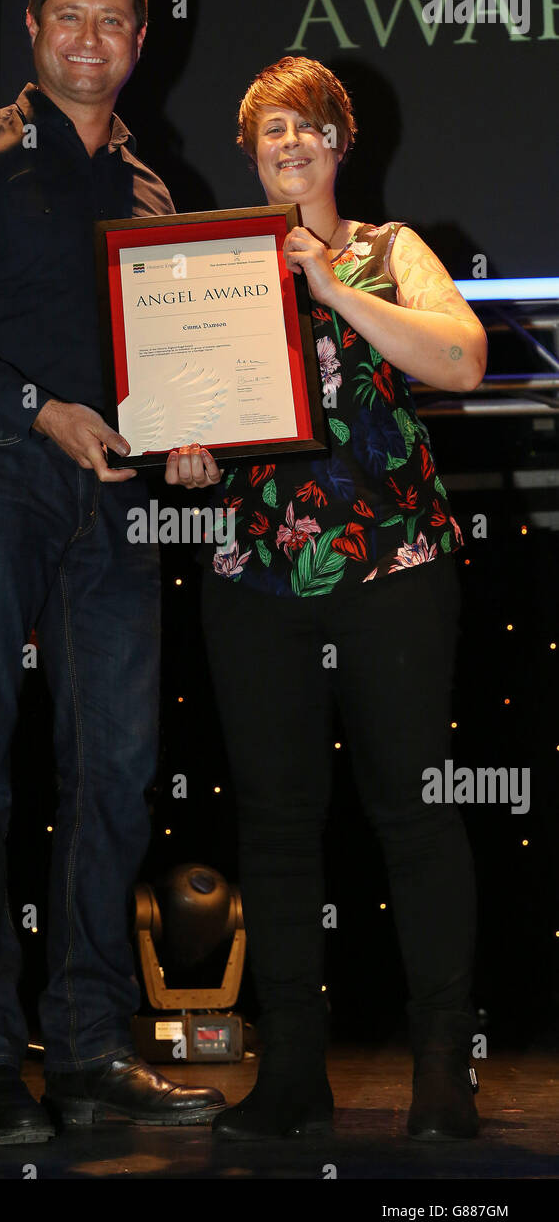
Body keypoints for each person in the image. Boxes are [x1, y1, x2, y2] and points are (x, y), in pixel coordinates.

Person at [0, 0, 225, 1143]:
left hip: (118, 493)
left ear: (139, 42)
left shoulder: (153, 192)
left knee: (116, 775)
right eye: (69, 18)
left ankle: (87, 1049)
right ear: (34, 30)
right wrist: (41, 408)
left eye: (113, 22)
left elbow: (172, 369)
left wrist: (190, 436)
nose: (91, 40)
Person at [166, 55, 487, 1141]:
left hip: (392, 564)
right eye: (271, 131)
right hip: (254, 571)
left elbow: (461, 362)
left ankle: (441, 1072)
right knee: (274, 823)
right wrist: (184, 453)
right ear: (249, 153)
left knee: (414, 811)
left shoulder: (388, 252)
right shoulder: (214, 267)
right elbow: (186, 409)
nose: (290, 144)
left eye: (309, 127)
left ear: (341, 145)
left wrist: (331, 287)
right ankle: (293, 1075)